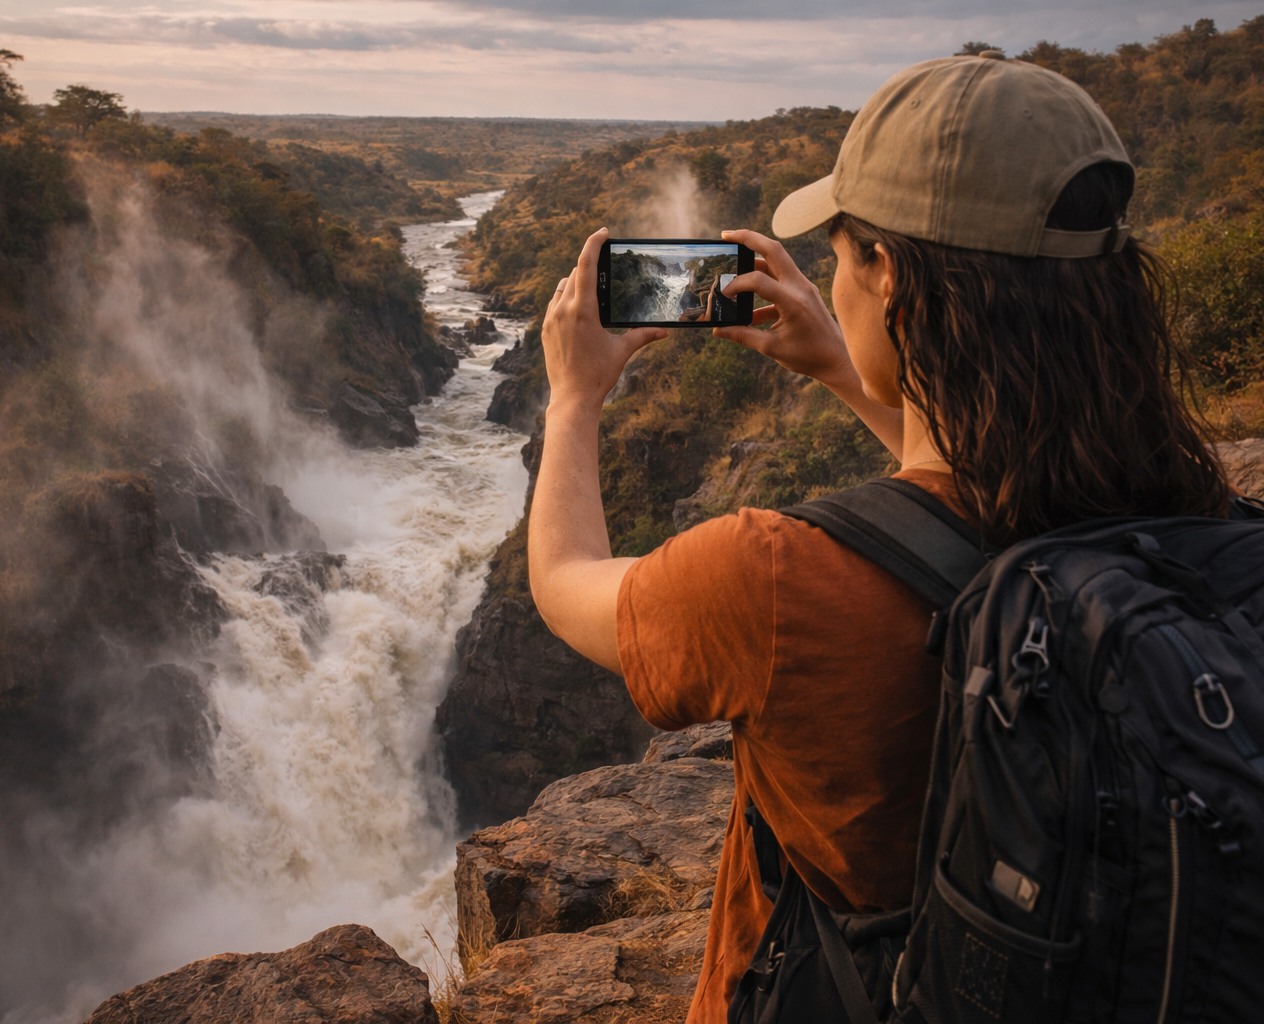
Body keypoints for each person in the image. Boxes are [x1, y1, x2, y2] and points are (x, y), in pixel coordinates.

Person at [526, 53, 1228, 1024]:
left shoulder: (777, 580)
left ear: (887, 275)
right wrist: (847, 369)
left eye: (846, 251)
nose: (833, 277)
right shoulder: (1192, 525)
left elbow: (565, 582)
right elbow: (981, 498)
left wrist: (574, 397)